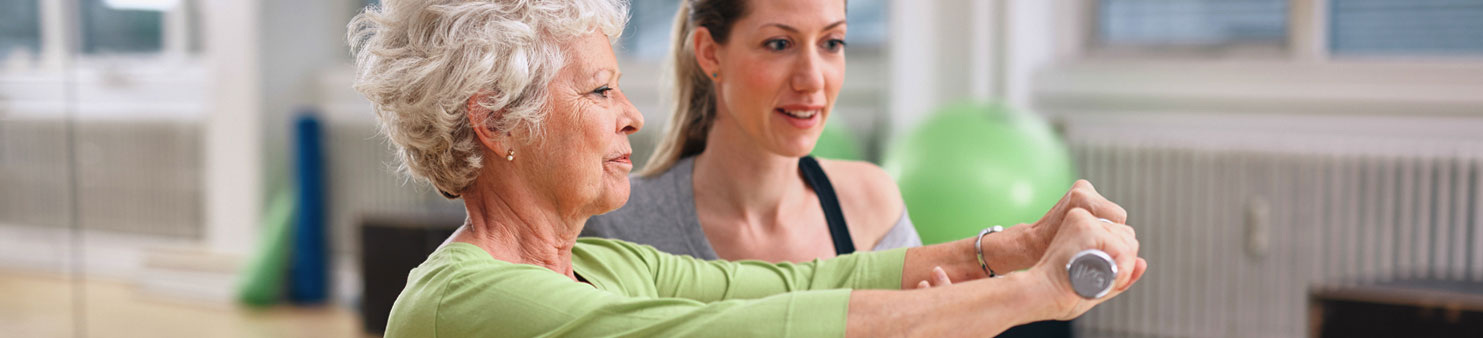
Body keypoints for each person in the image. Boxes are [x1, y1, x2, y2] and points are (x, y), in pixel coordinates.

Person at [348, 0, 1147, 337]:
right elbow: (743, 330)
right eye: (598, 90)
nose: (631, 114)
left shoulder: (595, 263)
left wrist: (1000, 252)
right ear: (494, 121)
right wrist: (1039, 293)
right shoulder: (472, 302)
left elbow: (801, 286)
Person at [583, 0, 921, 263]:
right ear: (710, 53)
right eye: (779, 44)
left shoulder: (872, 208)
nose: (813, 79)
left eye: (831, 43)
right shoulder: (614, 225)